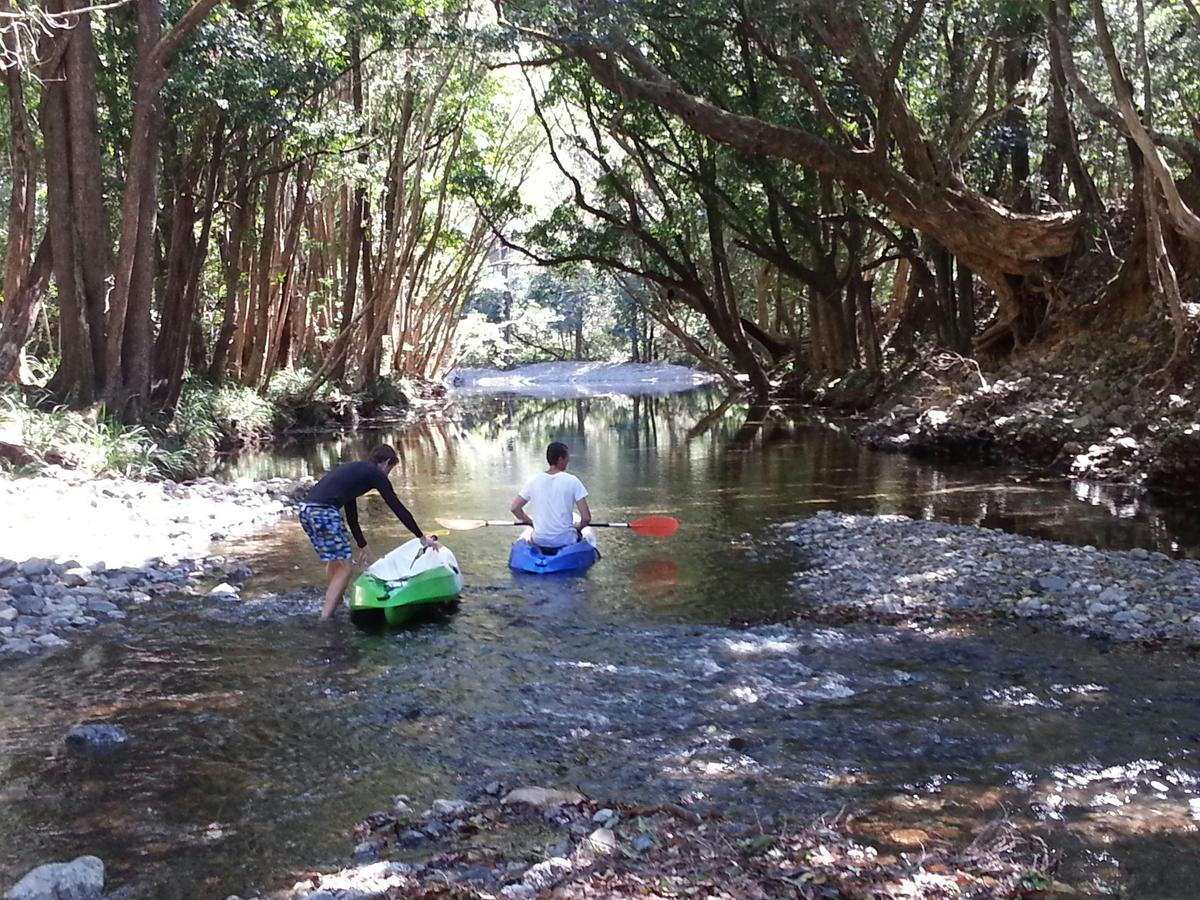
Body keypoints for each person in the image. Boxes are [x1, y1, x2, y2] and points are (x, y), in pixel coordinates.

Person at [299, 444, 437, 620]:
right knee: (345, 567)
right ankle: (325, 618)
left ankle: (337, 599)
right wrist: (421, 537)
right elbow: (397, 507)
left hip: (305, 510)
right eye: (391, 469)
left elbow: (352, 516)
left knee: (335, 559)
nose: (388, 474)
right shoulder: (375, 473)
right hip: (323, 512)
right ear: (387, 462)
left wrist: (362, 545)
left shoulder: (356, 472)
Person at [511, 441, 592, 549]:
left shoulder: (533, 481)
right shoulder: (573, 481)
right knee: (579, 536)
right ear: (560, 459)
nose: (568, 460)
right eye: (567, 457)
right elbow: (586, 518)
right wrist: (578, 526)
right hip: (565, 540)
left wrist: (530, 522)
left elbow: (515, 508)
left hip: (539, 540)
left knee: (532, 539)